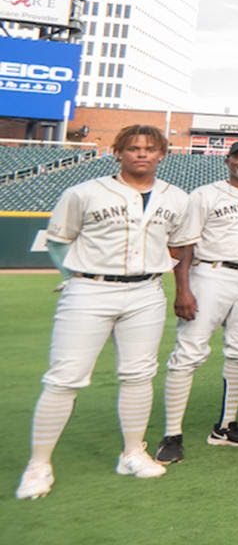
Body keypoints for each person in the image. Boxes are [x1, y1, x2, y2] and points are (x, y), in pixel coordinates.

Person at [16, 125, 192, 499]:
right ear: (119, 153)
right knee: (65, 378)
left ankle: (132, 452)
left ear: (162, 153)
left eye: (149, 148)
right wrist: (75, 279)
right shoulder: (84, 192)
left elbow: (179, 246)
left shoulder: (176, 197)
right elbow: (60, 241)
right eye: (132, 148)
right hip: (90, 289)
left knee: (139, 374)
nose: (141, 154)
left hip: (146, 290)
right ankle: (39, 465)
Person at [156, 139, 238, 464]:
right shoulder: (204, 195)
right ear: (227, 161)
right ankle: (172, 434)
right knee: (188, 352)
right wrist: (182, 289)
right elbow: (184, 246)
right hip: (210, 274)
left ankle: (226, 426)